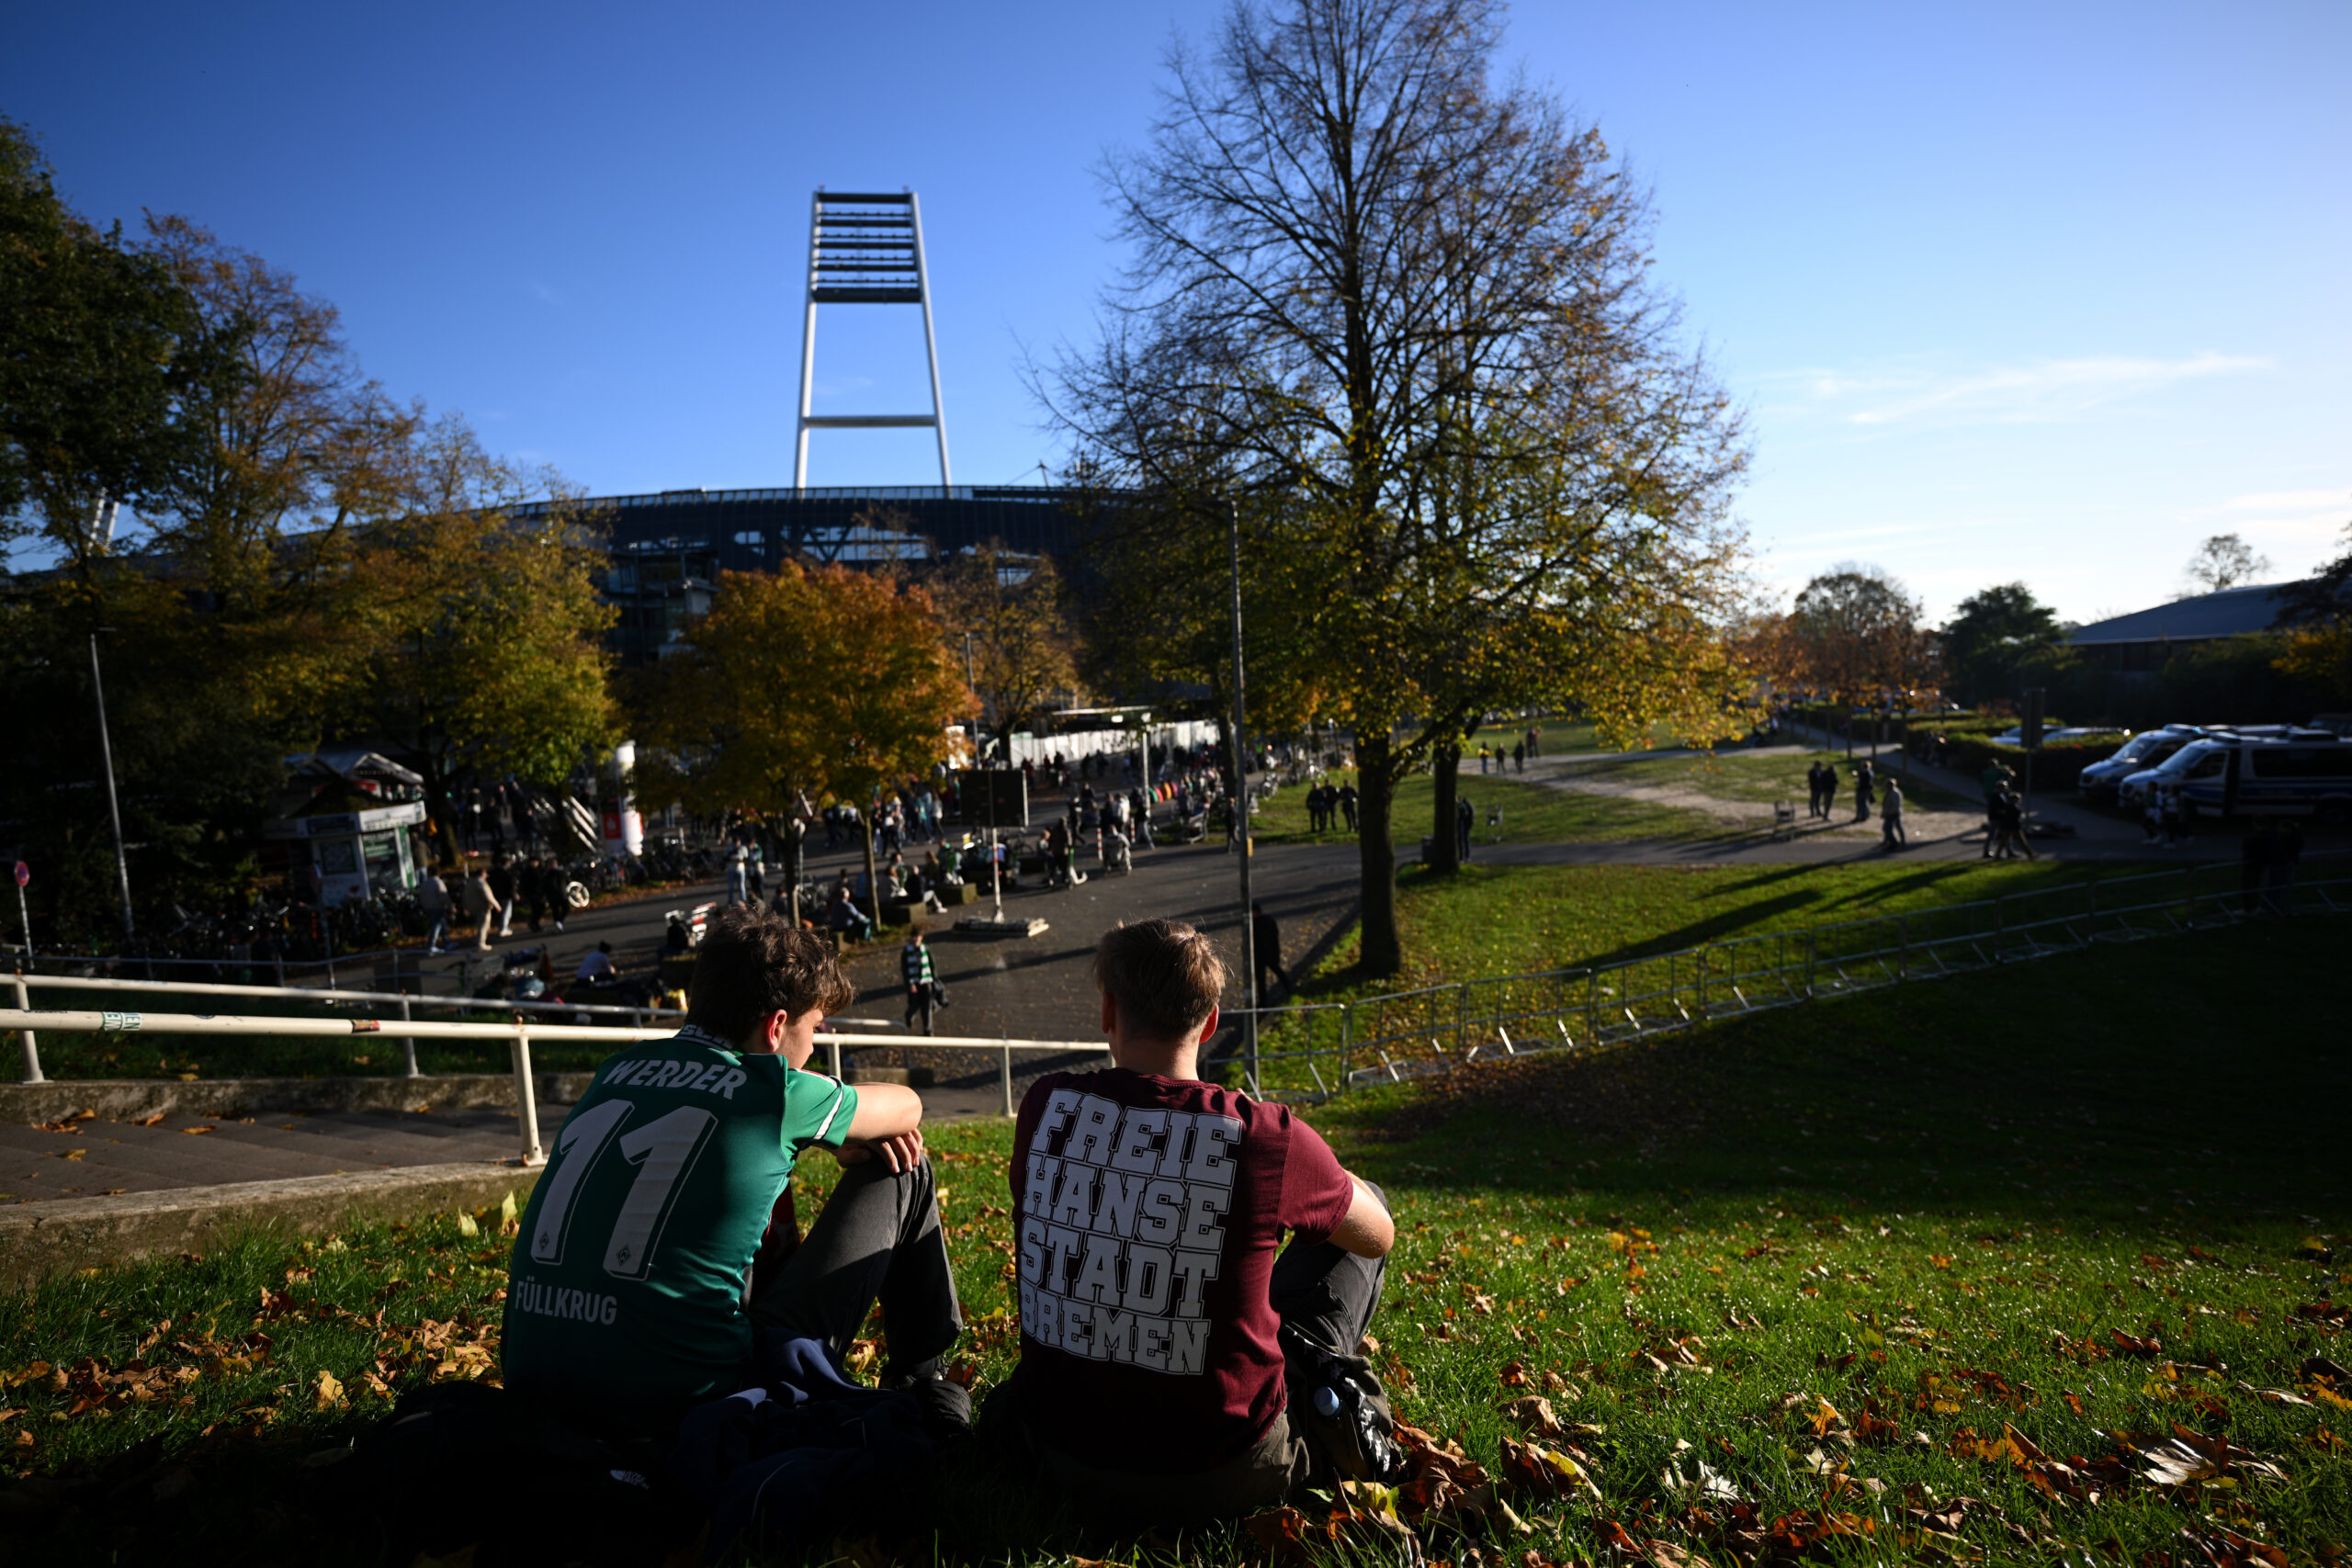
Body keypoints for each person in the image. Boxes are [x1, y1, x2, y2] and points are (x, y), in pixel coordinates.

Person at [502, 907, 959, 1442]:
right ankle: (922, 1382)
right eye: (815, 1028)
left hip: (534, 1384)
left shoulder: (615, 1071)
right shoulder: (775, 1092)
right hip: (688, 1404)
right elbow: (907, 1106)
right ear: (776, 1027)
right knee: (903, 1168)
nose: (814, 1046)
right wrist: (840, 1134)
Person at [1006, 919, 1398, 1529]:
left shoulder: (1045, 1106)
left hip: (1057, 1457)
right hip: (1224, 1472)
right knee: (1365, 1198)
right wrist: (1305, 1171)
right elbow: (1377, 1235)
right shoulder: (1263, 1134)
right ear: (1211, 1021)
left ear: (1108, 1010)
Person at [1251, 900, 1293, 998]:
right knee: (1278, 972)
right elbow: (1275, 937)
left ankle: (1263, 1002)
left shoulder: (1254, 924)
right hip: (1270, 954)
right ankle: (1289, 988)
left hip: (1259, 956)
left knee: (1261, 981)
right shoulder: (1269, 921)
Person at [901, 927, 937, 1036]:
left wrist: (934, 979)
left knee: (927, 1008)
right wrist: (910, 984)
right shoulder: (907, 951)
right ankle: (909, 1016)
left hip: (926, 982)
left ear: (921, 937)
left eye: (917, 936)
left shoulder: (925, 949)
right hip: (914, 983)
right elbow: (905, 969)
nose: (915, 939)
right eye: (914, 936)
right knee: (914, 1005)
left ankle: (928, 1031)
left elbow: (932, 964)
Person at [466, 864, 502, 952]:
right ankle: (481, 943)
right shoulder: (481, 883)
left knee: (480, 924)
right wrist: (496, 905)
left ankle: (479, 940)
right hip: (483, 907)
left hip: (473, 907)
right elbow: (488, 896)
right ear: (482, 874)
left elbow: (465, 896)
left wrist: (466, 907)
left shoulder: (470, 883)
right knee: (484, 925)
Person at [417, 865, 453, 953]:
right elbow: (444, 895)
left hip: (428, 907)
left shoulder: (425, 883)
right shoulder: (438, 882)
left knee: (442, 924)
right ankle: (431, 944)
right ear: (439, 873)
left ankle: (447, 942)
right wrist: (450, 906)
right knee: (436, 925)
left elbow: (421, 895)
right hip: (438, 906)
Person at [489, 855, 518, 940]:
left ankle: (503, 926)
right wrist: (514, 893)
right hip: (506, 894)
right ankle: (503, 928)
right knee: (506, 912)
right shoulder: (507, 872)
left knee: (502, 912)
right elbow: (510, 884)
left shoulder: (494, 871)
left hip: (497, 894)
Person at [1880, 779, 1905, 850]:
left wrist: (1889, 813)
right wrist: (1884, 812)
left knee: (1887, 828)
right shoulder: (1890, 792)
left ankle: (1893, 843)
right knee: (1897, 827)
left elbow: (1895, 805)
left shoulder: (1895, 793)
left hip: (1893, 814)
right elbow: (1886, 804)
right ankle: (1888, 842)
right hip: (1891, 813)